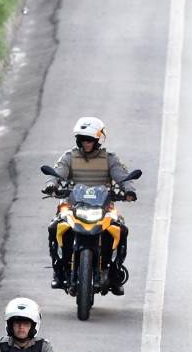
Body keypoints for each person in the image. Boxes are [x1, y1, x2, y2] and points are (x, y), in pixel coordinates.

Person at [43, 117, 137, 294]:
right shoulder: (69, 157)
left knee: (122, 229)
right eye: (84, 139)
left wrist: (128, 190)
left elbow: (122, 175)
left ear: (98, 140)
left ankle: (115, 271)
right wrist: (52, 184)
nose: (87, 143)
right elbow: (57, 172)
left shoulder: (110, 158)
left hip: (103, 208)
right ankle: (58, 269)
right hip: (72, 207)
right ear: (78, 140)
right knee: (53, 228)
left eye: (91, 140)